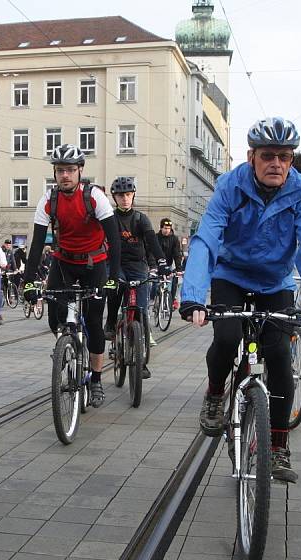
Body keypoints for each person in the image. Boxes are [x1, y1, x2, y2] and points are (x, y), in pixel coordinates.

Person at [179, 116, 301, 484]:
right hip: (230, 276)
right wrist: (193, 296)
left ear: (292, 160)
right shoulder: (229, 186)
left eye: (284, 156)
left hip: (274, 282)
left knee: (279, 354)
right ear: (252, 156)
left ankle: (278, 447)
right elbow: (207, 239)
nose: (276, 163)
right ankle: (216, 393)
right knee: (227, 338)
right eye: (268, 156)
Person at [22, 144, 120, 407]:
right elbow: (36, 244)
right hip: (63, 262)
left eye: (70, 170)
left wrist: (114, 275)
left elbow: (114, 238)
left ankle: (97, 379)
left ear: (80, 171)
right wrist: (28, 281)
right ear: (55, 173)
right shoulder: (48, 201)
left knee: (93, 321)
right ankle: (65, 344)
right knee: (54, 317)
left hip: (94, 263)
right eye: (60, 170)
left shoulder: (94, 197)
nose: (65, 175)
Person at [104, 177, 169, 371]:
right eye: (120, 195)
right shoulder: (110, 218)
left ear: (133, 195)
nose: (125, 199)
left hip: (137, 265)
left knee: (140, 308)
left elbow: (152, 241)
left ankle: (141, 362)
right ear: (114, 198)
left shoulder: (141, 218)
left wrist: (162, 261)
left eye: (128, 194)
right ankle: (111, 322)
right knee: (115, 288)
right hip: (115, 264)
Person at [155, 217, 184, 310]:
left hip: (168, 265)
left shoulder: (174, 239)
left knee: (173, 281)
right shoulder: (155, 237)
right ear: (161, 228)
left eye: (168, 228)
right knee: (155, 284)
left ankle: (170, 301)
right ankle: (153, 300)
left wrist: (179, 269)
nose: (167, 230)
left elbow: (177, 254)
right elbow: (151, 252)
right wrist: (152, 266)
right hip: (156, 264)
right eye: (165, 228)